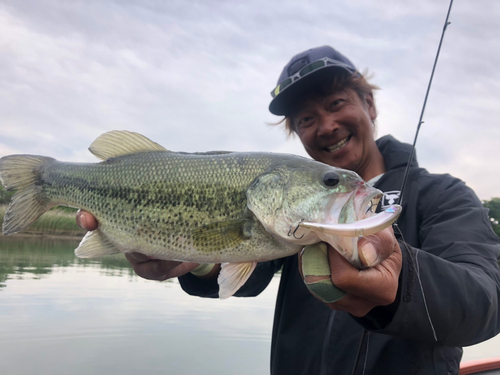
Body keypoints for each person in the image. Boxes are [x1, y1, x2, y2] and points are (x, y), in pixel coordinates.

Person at [77, 46, 500, 374]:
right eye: (306, 119)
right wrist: (191, 260)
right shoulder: (291, 209)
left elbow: (486, 302)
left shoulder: (443, 196)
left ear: (369, 104)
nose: (326, 125)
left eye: (336, 104)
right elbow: (243, 272)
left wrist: (400, 281)